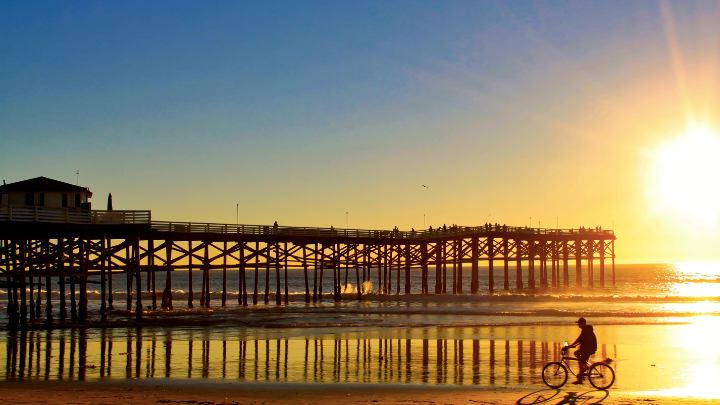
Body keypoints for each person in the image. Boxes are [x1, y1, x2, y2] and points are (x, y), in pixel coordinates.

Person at [565, 317, 597, 384]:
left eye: (579, 323)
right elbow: (582, 340)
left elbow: (579, 339)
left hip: (589, 349)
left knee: (580, 362)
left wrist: (570, 346)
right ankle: (585, 366)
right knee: (576, 353)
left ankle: (580, 380)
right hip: (586, 348)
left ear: (583, 323)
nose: (578, 324)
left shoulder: (586, 330)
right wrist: (573, 345)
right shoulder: (585, 330)